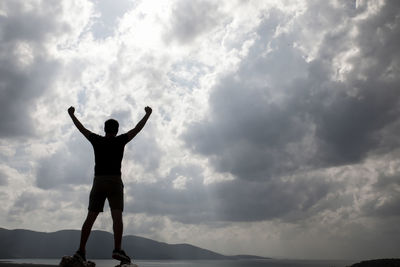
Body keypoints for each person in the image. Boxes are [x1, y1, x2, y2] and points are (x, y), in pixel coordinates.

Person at [67, 105, 152, 263]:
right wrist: (147, 114)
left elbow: (81, 129)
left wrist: (72, 115)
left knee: (90, 217)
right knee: (117, 217)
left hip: (99, 181)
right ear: (117, 130)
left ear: (104, 129)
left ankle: (81, 250)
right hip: (114, 181)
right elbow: (137, 129)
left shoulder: (97, 140)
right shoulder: (120, 141)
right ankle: (117, 250)